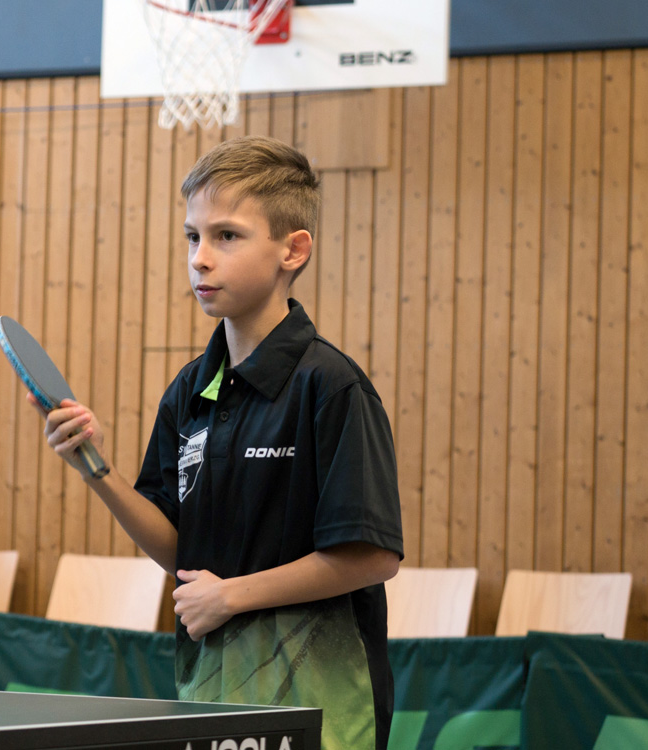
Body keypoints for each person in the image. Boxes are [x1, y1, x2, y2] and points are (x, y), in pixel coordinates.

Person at [39, 136, 404, 750]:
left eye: (226, 236)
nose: (200, 259)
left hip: (321, 712)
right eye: (192, 237)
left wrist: (230, 596)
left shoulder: (331, 387)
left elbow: (372, 556)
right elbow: (178, 550)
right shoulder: (189, 391)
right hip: (212, 694)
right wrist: (93, 466)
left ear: (293, 250)